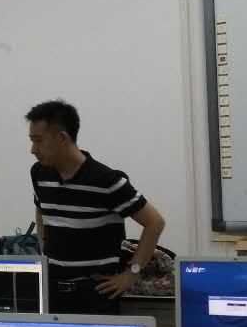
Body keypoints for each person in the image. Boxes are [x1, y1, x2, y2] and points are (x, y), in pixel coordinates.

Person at [26, 100, 166, 315]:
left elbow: (154, 222)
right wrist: (44, 248)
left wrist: (132, 273)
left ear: (62, 138)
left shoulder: (107, 180)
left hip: (95, 294)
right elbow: (41, 209)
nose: (33, 150)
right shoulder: (39, 173)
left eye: (38, 141)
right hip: (52, 290)